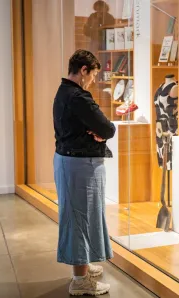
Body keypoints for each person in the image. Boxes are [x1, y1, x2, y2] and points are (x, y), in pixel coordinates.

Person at [53, 49, 116, 296]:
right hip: (79, 165)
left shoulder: (63, 92)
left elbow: (94, 128)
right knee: (80, 218)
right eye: (93, 75)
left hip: (72, 162)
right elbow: (107, 128)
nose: (92, 80)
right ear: (83, 70)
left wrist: (96, 130)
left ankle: (84, 266)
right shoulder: (77, 96)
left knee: (82, 216)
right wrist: (100, 130)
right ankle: (80, 280)